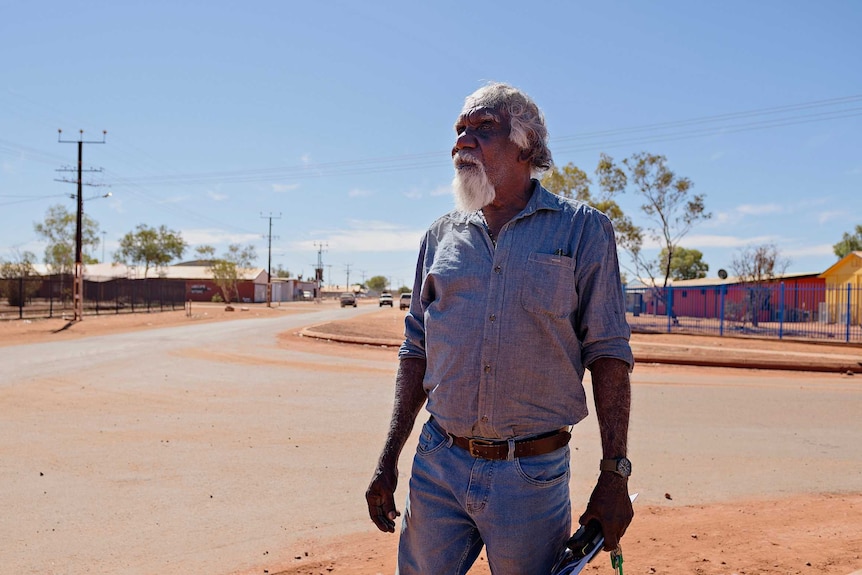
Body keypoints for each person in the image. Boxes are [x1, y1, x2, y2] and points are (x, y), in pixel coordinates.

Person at [365, 82, 634, 575]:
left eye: (483, 128)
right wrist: (388, 460)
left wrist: (615, 472)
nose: (462, 141)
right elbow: (415, 349)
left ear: (525, 145)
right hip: (437, 464)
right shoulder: (439, 237)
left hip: (531, 475)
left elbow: (609, 353)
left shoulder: (581, 230)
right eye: (460, 130)